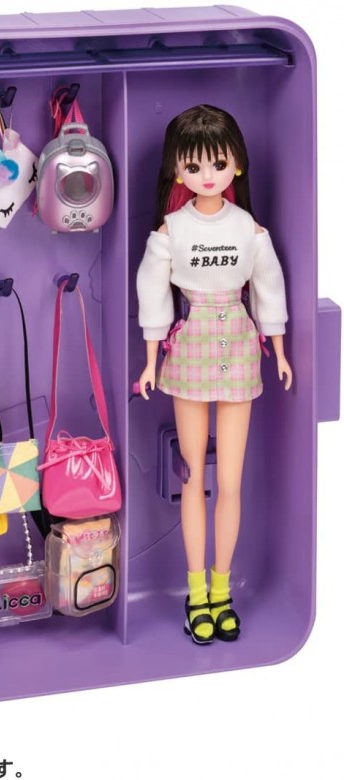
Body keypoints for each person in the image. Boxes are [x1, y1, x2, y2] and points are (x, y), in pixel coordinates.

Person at [136, 104, 293, 644]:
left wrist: (279, 348)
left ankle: (222, 590)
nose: (208, 175)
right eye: (194, 165)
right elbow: (153, 296)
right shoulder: (172, 230)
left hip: (241, 349)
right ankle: (196, 593)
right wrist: (151, 362)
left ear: (237, 166)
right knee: (194, 482)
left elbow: (269, 288)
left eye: (218, 164)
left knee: (230, 482)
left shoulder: (249, 229)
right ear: (178, 171)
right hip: (190, 350)